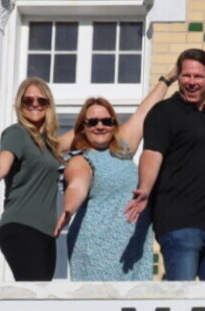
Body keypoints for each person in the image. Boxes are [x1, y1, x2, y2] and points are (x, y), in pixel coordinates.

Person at [126, 49, 205, 281]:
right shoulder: (164, 112)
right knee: (181, 296)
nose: (192, 82)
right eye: (186, 76)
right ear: (178, 78)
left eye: (198, 76)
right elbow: (152, 153)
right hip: (179, 224)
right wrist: (144, 188)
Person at [0, 78, 66, 281]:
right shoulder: (17, 133)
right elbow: (2, 163)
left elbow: (81, 135)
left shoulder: (48, 144)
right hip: (22, 227)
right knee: (35, 295)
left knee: (41, 297)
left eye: (41, 101)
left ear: (49, 105)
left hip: (46, 233)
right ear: (20, 105)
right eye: (28, 100)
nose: (35, 104)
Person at [59, 98, 151, 281]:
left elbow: (143, 113)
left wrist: (168, 80)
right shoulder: (80, 158)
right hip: (99, 247)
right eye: (92, 122)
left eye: (107, 121)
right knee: (102, 306)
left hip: (132, 245)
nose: (100, 126)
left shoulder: (123, 151)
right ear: (82, 128)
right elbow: (77, 184)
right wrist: (69, 209)